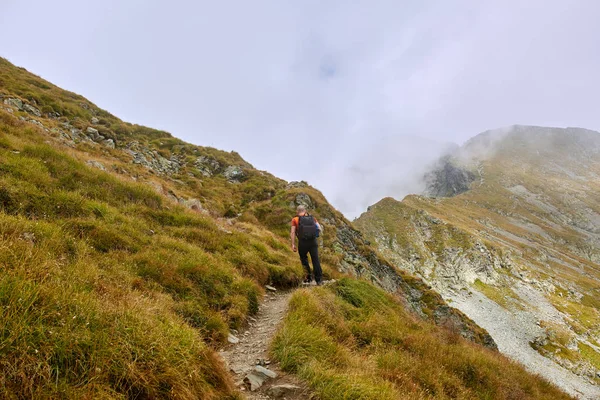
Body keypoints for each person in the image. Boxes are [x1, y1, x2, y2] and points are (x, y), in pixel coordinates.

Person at [290, 205, 323, 285]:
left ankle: (308, 278)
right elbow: (319, 229)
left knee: (304, 259)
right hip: (313, 242)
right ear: (305, 211)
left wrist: (293, 244)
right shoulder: (313, 218)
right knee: (315, 260)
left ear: (297, 211)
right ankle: (319, 280)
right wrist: (314, 236)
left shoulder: (295, 219)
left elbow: (293, 232)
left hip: (302, 242)